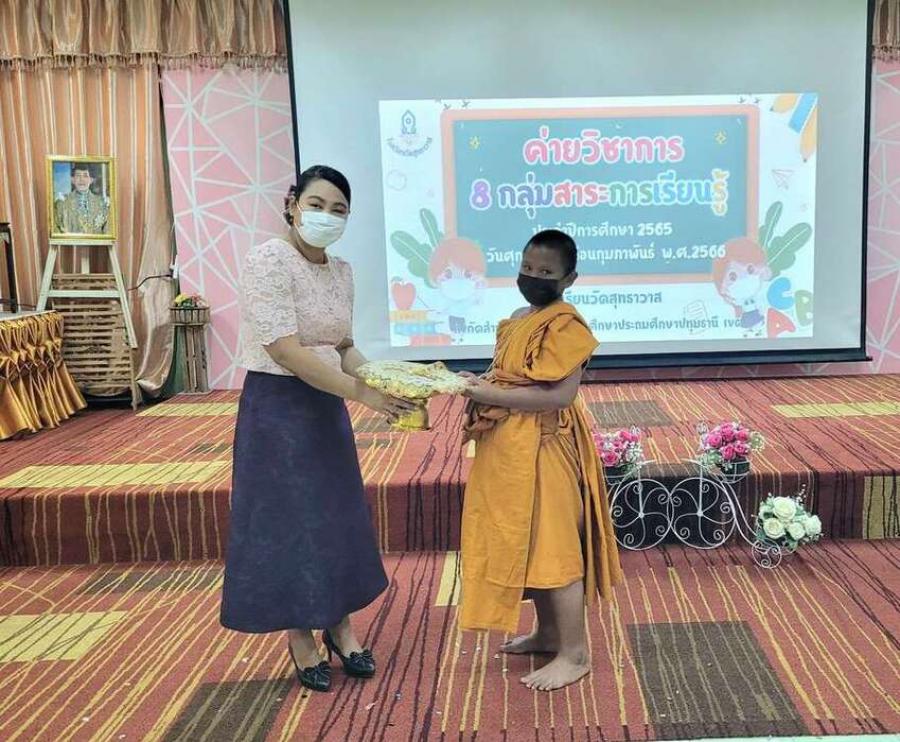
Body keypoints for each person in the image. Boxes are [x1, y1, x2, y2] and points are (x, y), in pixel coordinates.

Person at [220, 165, 415, 692]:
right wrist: (363, 395)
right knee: (289, 523)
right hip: (278, 409)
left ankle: (340, 625)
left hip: (326, 405)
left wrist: (387, 381)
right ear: (292, 204)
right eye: (317, 205)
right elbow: (285, 350)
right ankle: (300, 634)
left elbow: (344, 347)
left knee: (334, 517)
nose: (327, 216)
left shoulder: (342, 270)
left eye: (339, 210)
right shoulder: (268, 260)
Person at [458, 229, 622, 692]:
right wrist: (478, 382)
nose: (533, 277)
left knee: (555, 548)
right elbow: (506, 375)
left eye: (546, 272)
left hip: (546, 447)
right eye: (527, 268)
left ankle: (575, 653)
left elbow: (559, 396)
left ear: (569, 279)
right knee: (527, 543)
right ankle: (549, 633)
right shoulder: (518, 318)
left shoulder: (567, 327)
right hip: (508, 448)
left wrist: (487, 393)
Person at [54, 163, 109, 235]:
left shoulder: (102, 204)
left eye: (85, 176)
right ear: (72, 179)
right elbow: (56, 231)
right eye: (78, 175)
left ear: (91, 180)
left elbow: (108, 232)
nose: (81, 179)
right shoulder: (62, 204)